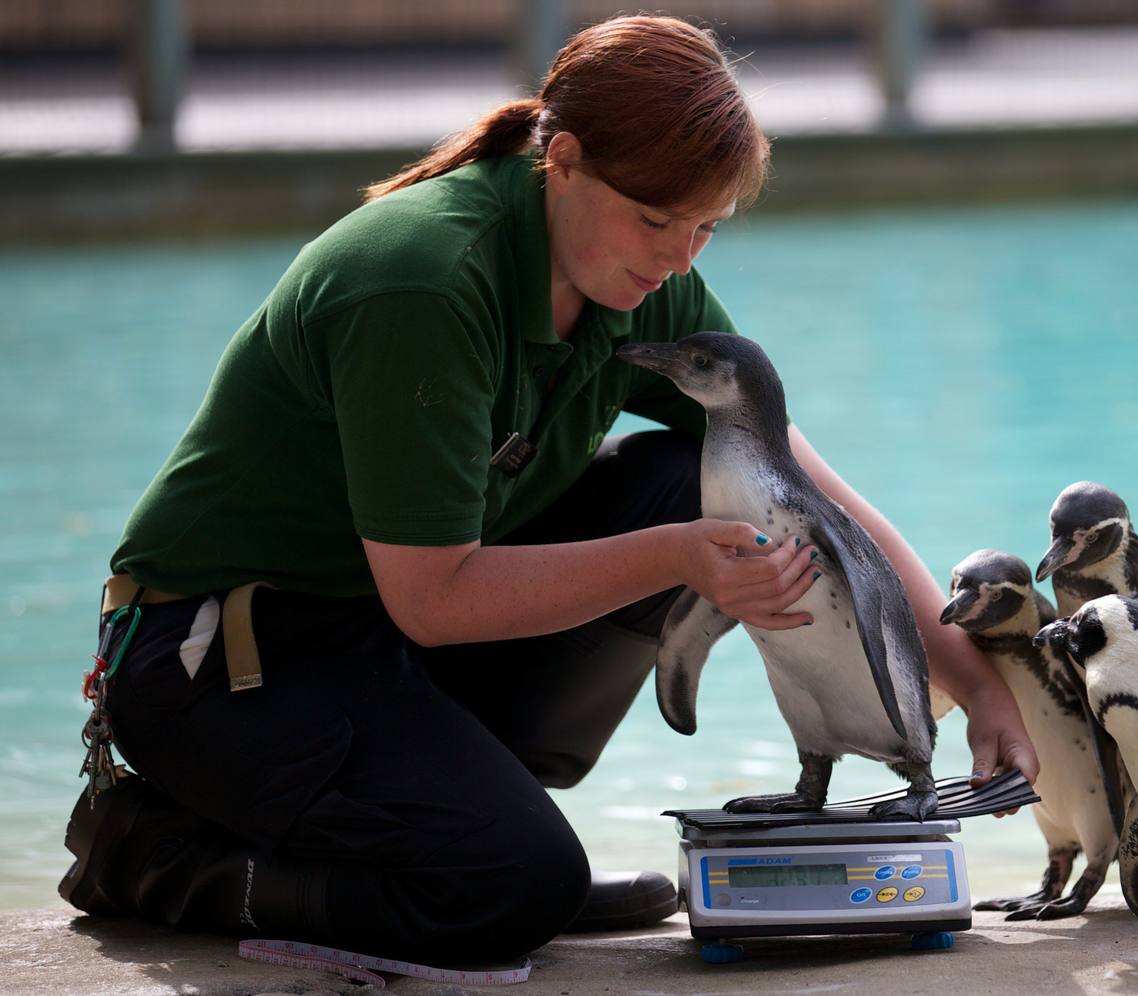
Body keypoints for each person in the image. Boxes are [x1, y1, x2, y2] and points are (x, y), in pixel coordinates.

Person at [61, 15, 1038, 965]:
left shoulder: (639, 271)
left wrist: (974, 684)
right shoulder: (424, 282)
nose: (679, 255)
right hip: (224, 662)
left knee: (689, 480)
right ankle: (161, 858)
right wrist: (674, 559)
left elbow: (811, 494)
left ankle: (474, 825)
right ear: (561, 161)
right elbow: (434, 600)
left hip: (381, 641)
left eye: (706, 226)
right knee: (502, 891)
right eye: (658, 219)